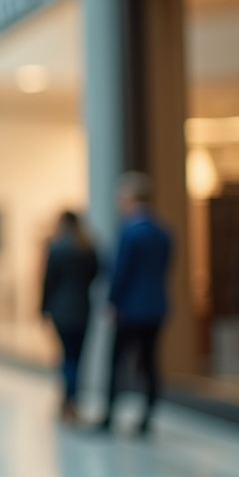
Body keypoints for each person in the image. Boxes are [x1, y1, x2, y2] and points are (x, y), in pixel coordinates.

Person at [98, 172, 172, 437]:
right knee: (150, 363)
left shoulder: (128, 231)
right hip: (156, 306)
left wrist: (112, 302)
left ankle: (109, 415)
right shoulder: (162, 231)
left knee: (117, 361)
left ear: (130, 198)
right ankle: (148, 416)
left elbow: (120, 272)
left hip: (130, 308)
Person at [40, 211, 99, 424]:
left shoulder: (56, 248)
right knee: (77, 357)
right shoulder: (88, 247)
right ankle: (72, 400)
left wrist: (42, 308)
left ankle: (68, 402)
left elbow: (48, 281)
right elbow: (96, 274)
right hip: (82, 308)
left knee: (67, 356)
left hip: (61, 310)